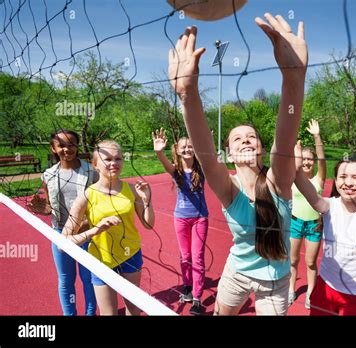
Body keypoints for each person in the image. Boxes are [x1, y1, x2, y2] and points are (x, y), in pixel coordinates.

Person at [167, 12, 308, 315]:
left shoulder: (277, 181)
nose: (245, 140)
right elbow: (204, 149)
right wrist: (187, 95)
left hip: (275, 282)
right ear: (229, 154)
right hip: (237, 272)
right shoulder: (228, 187)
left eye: (251, 137)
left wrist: (294, 78)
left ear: (260, 149)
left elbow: (284, 140)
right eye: (237, 138)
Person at [293, 141, 356, 315]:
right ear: (335, 180)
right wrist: (295, 170)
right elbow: (308, 191)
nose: (348, 182)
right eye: (342, 177)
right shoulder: (329, 206)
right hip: (325, 288)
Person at [62, 140, 155, 315]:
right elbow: (63, 242)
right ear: (95, 164)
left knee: (133, 309)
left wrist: (147, 200)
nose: (114, 163)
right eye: (108, 159)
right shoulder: (87, 195)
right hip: (101, 260)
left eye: (118, 159)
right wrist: (94, 230)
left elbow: (148, 224)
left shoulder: (131, 189)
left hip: (130, 254)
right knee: (109, 313)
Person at [27, 129, 97, 316]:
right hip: (60, 233)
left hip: (86, 233)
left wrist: (88, 223)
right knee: (65, 279)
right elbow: (50, 206)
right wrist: (42, 209)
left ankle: (91, 313)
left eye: (71, 144)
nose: (67, 149)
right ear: (53, 148)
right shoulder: (48, 175)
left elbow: (100, 203)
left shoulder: (91, 172)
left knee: (88, 278)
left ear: (78, 146)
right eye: (62, 145)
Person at [152, 128, 209, 315]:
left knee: (198, 257)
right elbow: (164, 162)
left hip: (200, 218)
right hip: (181, 218)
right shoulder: (175, 171)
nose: (187, 149)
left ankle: (197, 299)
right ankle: (187, 286)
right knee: (185, 256)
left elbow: (209, 154)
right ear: (177, 150)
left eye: (191, 146)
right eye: (183, 147)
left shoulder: (201, 168)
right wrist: (159, 151)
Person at [288, 119, 326, 309]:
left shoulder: (320, 178)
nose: (307, 162)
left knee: (310, 262)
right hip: (294, 223)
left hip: (314, 225)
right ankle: (290, 289)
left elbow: (322, 157)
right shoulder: (294, 176)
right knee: (292, 260)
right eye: (303, 159)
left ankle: (311, 293)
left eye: (310, 159)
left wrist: (316, 137)